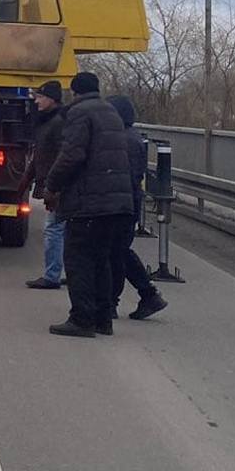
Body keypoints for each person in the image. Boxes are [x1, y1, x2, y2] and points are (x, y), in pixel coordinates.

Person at [43, 71, 133, 337]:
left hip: (89, 201)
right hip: (116, 200)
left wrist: (52, 186)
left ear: (75, 92)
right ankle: (103, 319)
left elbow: (72, 155)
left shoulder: (79, 113)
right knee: (101, 259)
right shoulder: (110, 112)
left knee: (78, 259)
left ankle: (82, 319)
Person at [107, 95, 168, 321]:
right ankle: (146, 295)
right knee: (119, 251)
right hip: (129, 201)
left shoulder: (124, 140)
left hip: (123, 202)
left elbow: (124, 175)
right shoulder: (132, 137)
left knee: (116, 252)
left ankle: (131, 298)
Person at [19, 80, 67, 289]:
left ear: (51, 99)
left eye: (39, 97)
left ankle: (52, 276)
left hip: (57, 187)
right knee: (59, 230)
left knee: (55, 229)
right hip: (53, 185)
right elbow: (40, 155)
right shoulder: (47, 122)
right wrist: (24, 183)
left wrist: (53, 188)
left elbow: (62, 157)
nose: (36, 101)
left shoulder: (57, 123)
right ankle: (58, 273)